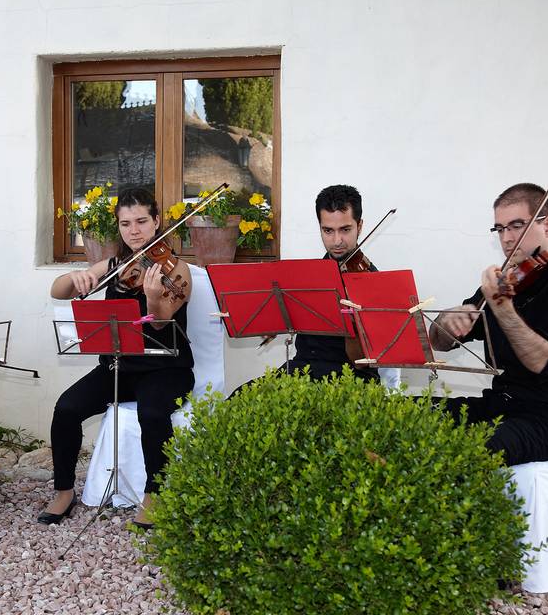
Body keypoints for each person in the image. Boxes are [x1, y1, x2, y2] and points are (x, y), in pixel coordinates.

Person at [42, 187, 195, 528]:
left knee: (154, 413)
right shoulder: (113, 266)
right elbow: (58, 291)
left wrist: (154, 296)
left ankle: (154, 495)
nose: (134, 230)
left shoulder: (177, 270)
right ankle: (64, 491)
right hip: (120, 367)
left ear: (157, 222)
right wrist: (73, 278)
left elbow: (160, 320)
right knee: (67, 407)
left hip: (167, 369)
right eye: (126, 224)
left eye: (142, 221)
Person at [427, 183, 548, 466]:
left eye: (516, 226)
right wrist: (447, 321)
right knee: (405, 412)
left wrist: (503, 308)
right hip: (501, 405)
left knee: (467, 452)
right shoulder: (505, 280)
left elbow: (541, 362)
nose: (506, 238)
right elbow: (438, 343)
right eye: (500, 229)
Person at [233, 184, 380, 391]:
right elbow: (287, 316)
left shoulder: (372, 281)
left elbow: (362, 361)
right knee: (240, 397)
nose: (337, 240)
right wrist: (273, 320)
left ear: (360, 226)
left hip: (351, 378)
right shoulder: (309, 274)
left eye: (345, 230)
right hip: (303, 371)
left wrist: (350, 322)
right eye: (328, 230)